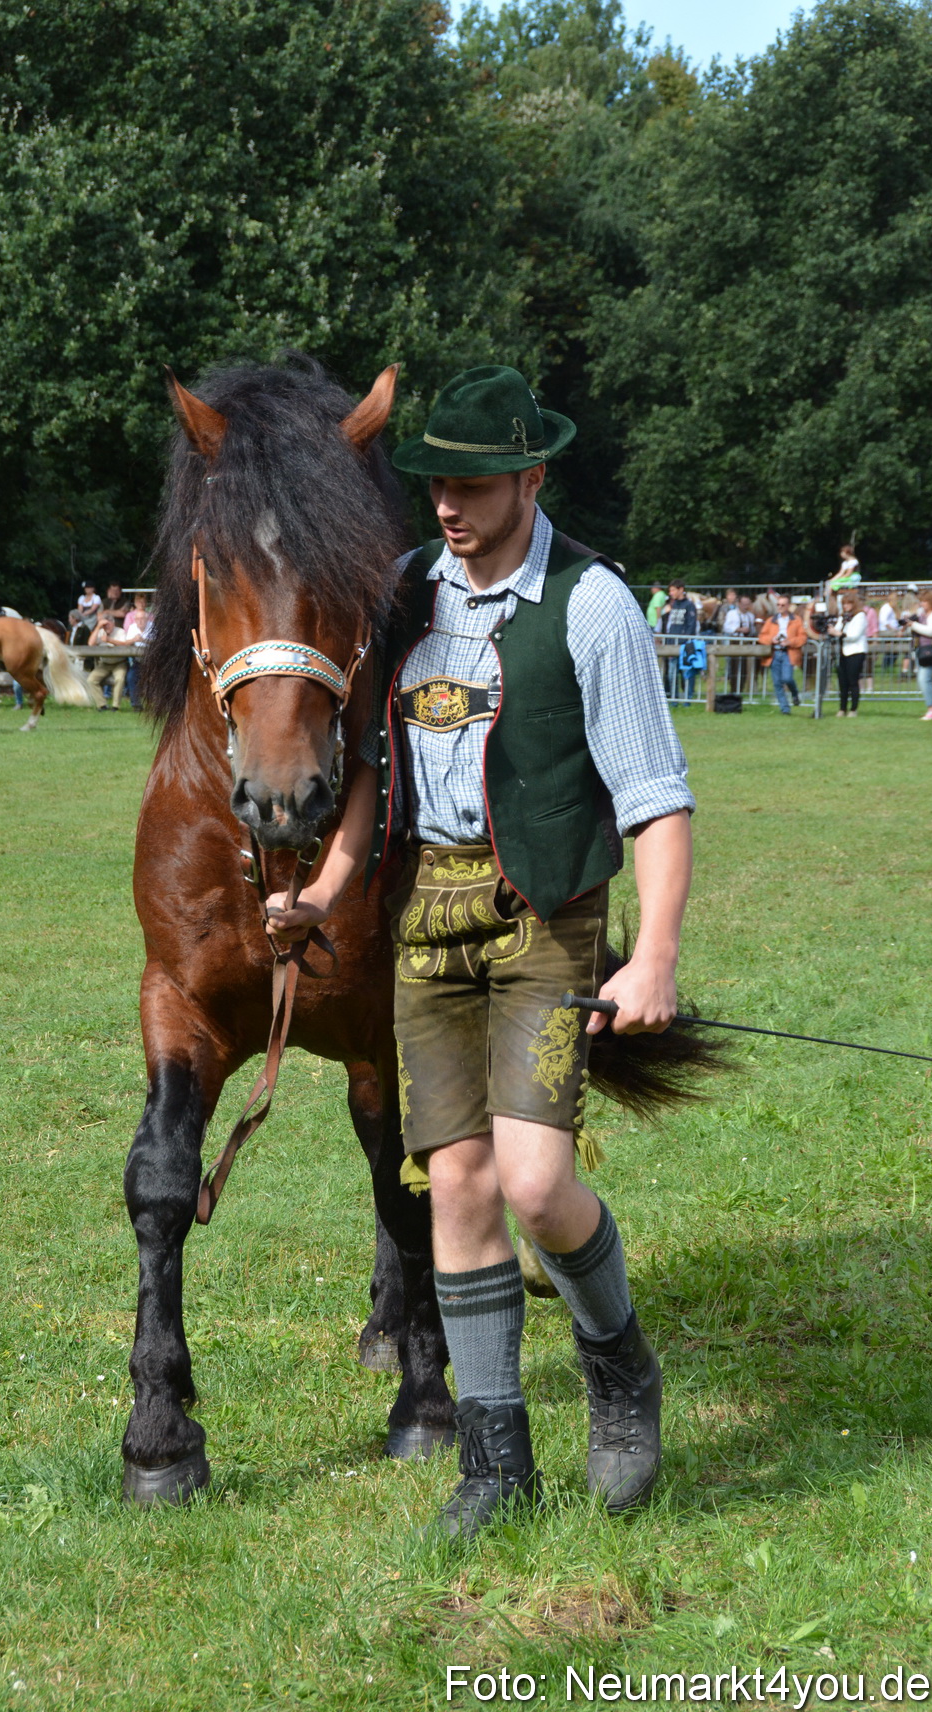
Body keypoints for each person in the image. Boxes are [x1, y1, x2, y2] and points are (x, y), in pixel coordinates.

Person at [266, 364, 695, 1539]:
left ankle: (619, 1369)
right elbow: (369, 770)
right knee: (452, 1179)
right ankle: (497, 1462)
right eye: (435, 483)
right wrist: (330, 888)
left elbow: (656, 800)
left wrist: (649, 954)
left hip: (548, 916)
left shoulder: (594, 605)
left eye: (471, 483)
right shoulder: (407, 592)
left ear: (531, 475)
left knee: (537, 1182)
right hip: (426, 919)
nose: (446, 504)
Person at [757, 594, 806, 714]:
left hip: (788, 653)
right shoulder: (771, 620)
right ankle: (785, 709)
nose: (780, 607)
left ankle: (794, 693)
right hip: (774, 653)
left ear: (788, 606)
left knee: (787, 678)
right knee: (777, 683)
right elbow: (762, 636)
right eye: (778, 605)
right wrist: (771, 640)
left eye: (783, 605)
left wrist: (790, 642)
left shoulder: (796, 620)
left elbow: (802, 637)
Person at [906, 589, 932, 720]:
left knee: (924, 679)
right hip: (920, 649)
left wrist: (914, 624)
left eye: (924, 601)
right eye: (921, 601)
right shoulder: (921, 614)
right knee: (925, 680)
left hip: (931, 650)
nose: (922, 604)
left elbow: (931, 631)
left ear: (931, 602)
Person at [829, 591, 867, 716]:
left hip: (856, 652)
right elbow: (837, 630)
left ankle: (853, 709)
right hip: (843, 652)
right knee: (842, 681)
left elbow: (854, 635)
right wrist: (832, 630)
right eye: (844, 603)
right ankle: (842, 708)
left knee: (852, 681)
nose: (845, 606)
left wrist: (838, 634)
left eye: (848, 603)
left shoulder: (860, 616)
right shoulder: (843, 617)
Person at [661, 581, 699, 699]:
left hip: (684, 645)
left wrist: (684, 641)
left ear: (681, 589)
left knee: (686, 673)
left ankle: (688, 698)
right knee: (672, 674)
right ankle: (674, 699)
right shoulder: (671, 605)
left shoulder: (689, 605)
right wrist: (665, 614)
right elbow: (666, 625)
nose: (670, 593)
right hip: (672, 643)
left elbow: (691, 625)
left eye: (673, 590)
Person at [86, 613, 123, 709]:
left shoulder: (120, 631)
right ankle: (102, 705)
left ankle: (115, 706)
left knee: (119, 679)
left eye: (108, 624)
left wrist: (109, 640)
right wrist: (98, 627)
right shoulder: (100, 632)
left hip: (119, 663)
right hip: (104, 663)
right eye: (104, 625)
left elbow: (125, 645)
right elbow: (90, 643)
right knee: (91, 680)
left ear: (113, 623)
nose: (106, 627)